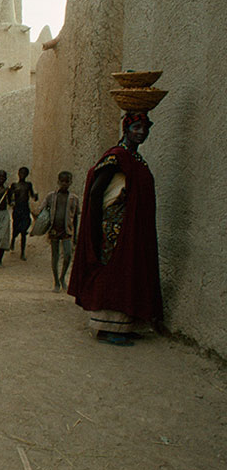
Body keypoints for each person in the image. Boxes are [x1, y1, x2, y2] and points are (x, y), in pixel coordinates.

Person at [67, 112, 162, 346]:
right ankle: (107, 326)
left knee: (129, 272)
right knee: (113, 274)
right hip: (115, 229)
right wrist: (98, 228)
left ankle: (124, 324)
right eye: (136, 127)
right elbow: (96, 191)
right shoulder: (116, 157)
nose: (141, 132)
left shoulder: (135, 159)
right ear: (126, 129)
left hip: (132, 229)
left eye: (145, 127)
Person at [40, 171, 79, 292]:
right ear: (58, 181)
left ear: (70, 182)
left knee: (67, 255)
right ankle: (56, 281)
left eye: (67, 181)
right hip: (54, 230)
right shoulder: (51, 196)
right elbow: (42, 210)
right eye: (62, 181)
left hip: (67, 230)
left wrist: (75, 234)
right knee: (55, 256)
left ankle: (62, 278)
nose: (64, 184)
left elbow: (76, 217)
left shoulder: (74, 198)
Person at [8, 167, 38, 260]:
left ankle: (22, 252)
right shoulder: (14, 185)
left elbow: (32, 196)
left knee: (24, 231)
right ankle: (13, 240)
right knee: (15, 227)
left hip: (25, 209)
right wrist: (11, 202)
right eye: (21, 173)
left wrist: (35, 197)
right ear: (18, 173)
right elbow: (9, 197)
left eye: (24, 173)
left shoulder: (28, 185)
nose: (22, 175)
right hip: (17, 209)